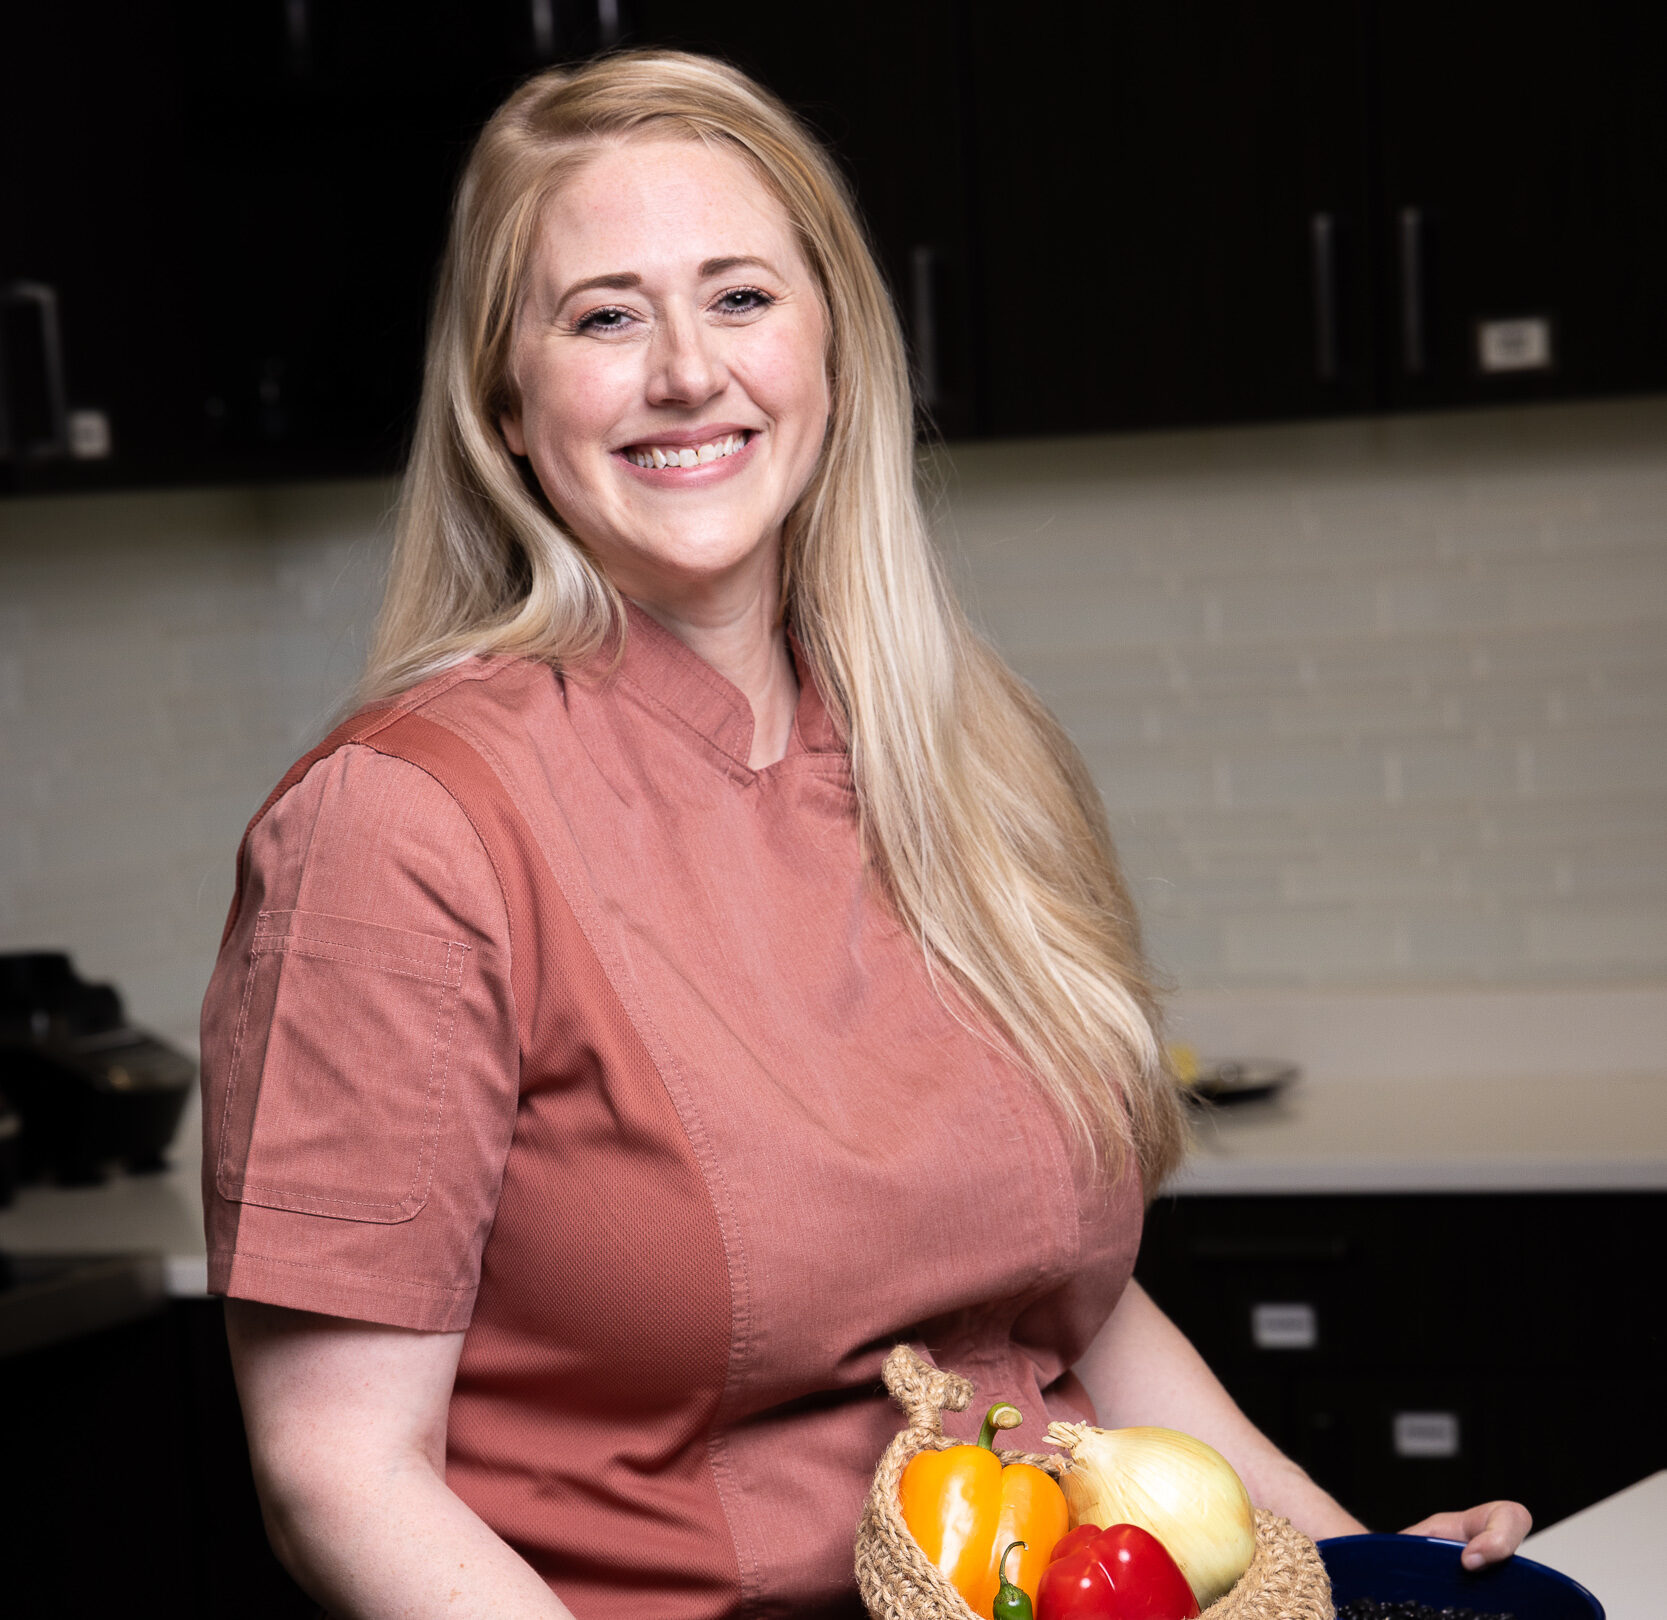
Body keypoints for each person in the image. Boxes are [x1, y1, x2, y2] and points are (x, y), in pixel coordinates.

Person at [201, 49, 1530, 1620]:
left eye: (743, 297)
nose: (688, 370)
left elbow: (1071, 1330)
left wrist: (1350, 1564)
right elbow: (341, 1472)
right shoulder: (403, 827)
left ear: (834, 346)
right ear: (503, 401)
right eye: (605, 315)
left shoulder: (960, 751)